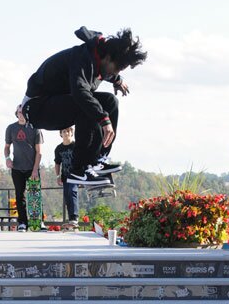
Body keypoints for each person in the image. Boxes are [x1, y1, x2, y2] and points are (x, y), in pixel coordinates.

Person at [21, 26, 147, 186]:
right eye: (116, 69)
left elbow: (103, 72)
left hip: (56, 102)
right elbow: (80, 92)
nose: (113, 73)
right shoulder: (82, 58)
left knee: (110, 102)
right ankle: (79, 168)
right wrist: (104, 120)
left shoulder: (99, 59)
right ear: (107, 58)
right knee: (87, 105)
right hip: (36, 108)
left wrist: (117, 80)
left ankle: (98, 161)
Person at [4, 105, 44, 232]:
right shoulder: (11, 128)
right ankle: (22, 222)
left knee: (35, 195)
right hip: (17, 168)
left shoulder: (35, 128)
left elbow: (39, 152)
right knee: (19, 195)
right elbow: (6, 147)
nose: (21, 114)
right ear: (16, 113)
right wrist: (7, 158)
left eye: (23, 112)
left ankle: (39, 221)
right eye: (19, 112)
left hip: (32, 168)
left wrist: (35, 169)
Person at [54, 127, 79, 227]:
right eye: (64, 131)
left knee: (73, 192)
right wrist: (57, 176)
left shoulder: (76, 145)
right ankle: (71, 219)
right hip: (65, 175)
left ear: (71, 133)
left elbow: (82, 159)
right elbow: (57, 163)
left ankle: (74, 217)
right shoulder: (58, 148)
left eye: (68, 131)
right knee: (67, 195)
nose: (66, 133)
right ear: (61, 134)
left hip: (76, 175)